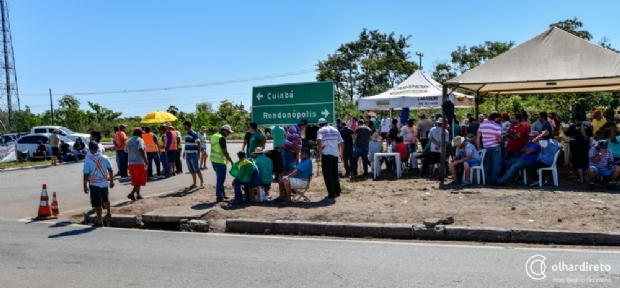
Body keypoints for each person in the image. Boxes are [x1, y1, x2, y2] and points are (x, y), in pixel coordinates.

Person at [83, 141, 115, 227]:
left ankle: (100, 221)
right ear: (97, 148)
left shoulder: (88, 160)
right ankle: (108, 212)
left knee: (97, 203)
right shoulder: (105, 157)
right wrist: (111, 180)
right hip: (104, 183)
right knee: (106, 199)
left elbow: (86, 174)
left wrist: (85, 186)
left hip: (94, 184)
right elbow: (110, 170)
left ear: (90, 149)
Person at [317, 118, 344, 200]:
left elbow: (319, 139)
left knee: (328, 174)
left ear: (319, 125)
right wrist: (341, 153)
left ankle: (331, 193)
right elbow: (342, 142)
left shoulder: (321, 130)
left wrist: (320, 149)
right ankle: (337, 191)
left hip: (326, 153)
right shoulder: (335, 130)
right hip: (335, 154)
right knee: (334, 173)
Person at [564, 114, 593, 183]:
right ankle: (587, 178)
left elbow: (564, 135)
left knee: (579, 163)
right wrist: (590, 146)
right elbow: (591, 138)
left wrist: (570, 139)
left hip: (575, 148)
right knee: (585, 163)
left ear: (575, 120)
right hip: (585, 148)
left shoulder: (572, 127)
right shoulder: (587, 127)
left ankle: (581, 179)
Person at [477, 112, 502, 184]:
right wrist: (501, 142)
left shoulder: (482, 125)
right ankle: (494, 180)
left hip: (485, 147)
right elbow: (499, 139)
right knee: (496, 164)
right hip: (495, 146)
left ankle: (486, 179)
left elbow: (478, 137)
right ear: (496, 118)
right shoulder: (497, 126)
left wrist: (479, 147)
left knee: (487, 163)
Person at [211, 125, 235, 202]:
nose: (228, 134)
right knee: (220, 180)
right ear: (224, 130)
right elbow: (224, 152)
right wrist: (231, 161)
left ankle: (222, 195)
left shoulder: (214, 136)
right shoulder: (221, 138)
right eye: (228, 132)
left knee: (220, 179)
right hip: (220, 162)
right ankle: (219, 197)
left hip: (213, 160)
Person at [125, 128, 148, 201]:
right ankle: (132, 194)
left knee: (136, 180)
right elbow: (141, 149)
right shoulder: (139, 140)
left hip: (131, 163)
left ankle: (138, 195)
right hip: (139, 162)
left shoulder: (129, 141)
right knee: (140, 179)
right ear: (140, 134)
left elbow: (125, 150)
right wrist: (145, 160)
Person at [182, 121, 205, 189]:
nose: (184, 127)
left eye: (184, 125)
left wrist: (198, 153)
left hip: (193, 154)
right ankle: (194, 183)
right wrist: (184, 152)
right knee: (191, 169)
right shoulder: (187, 134)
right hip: (188, 154)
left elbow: (198, 142)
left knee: (196, 169)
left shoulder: (193, 133)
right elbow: (187, 144)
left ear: (187, 126)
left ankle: (202, 182)